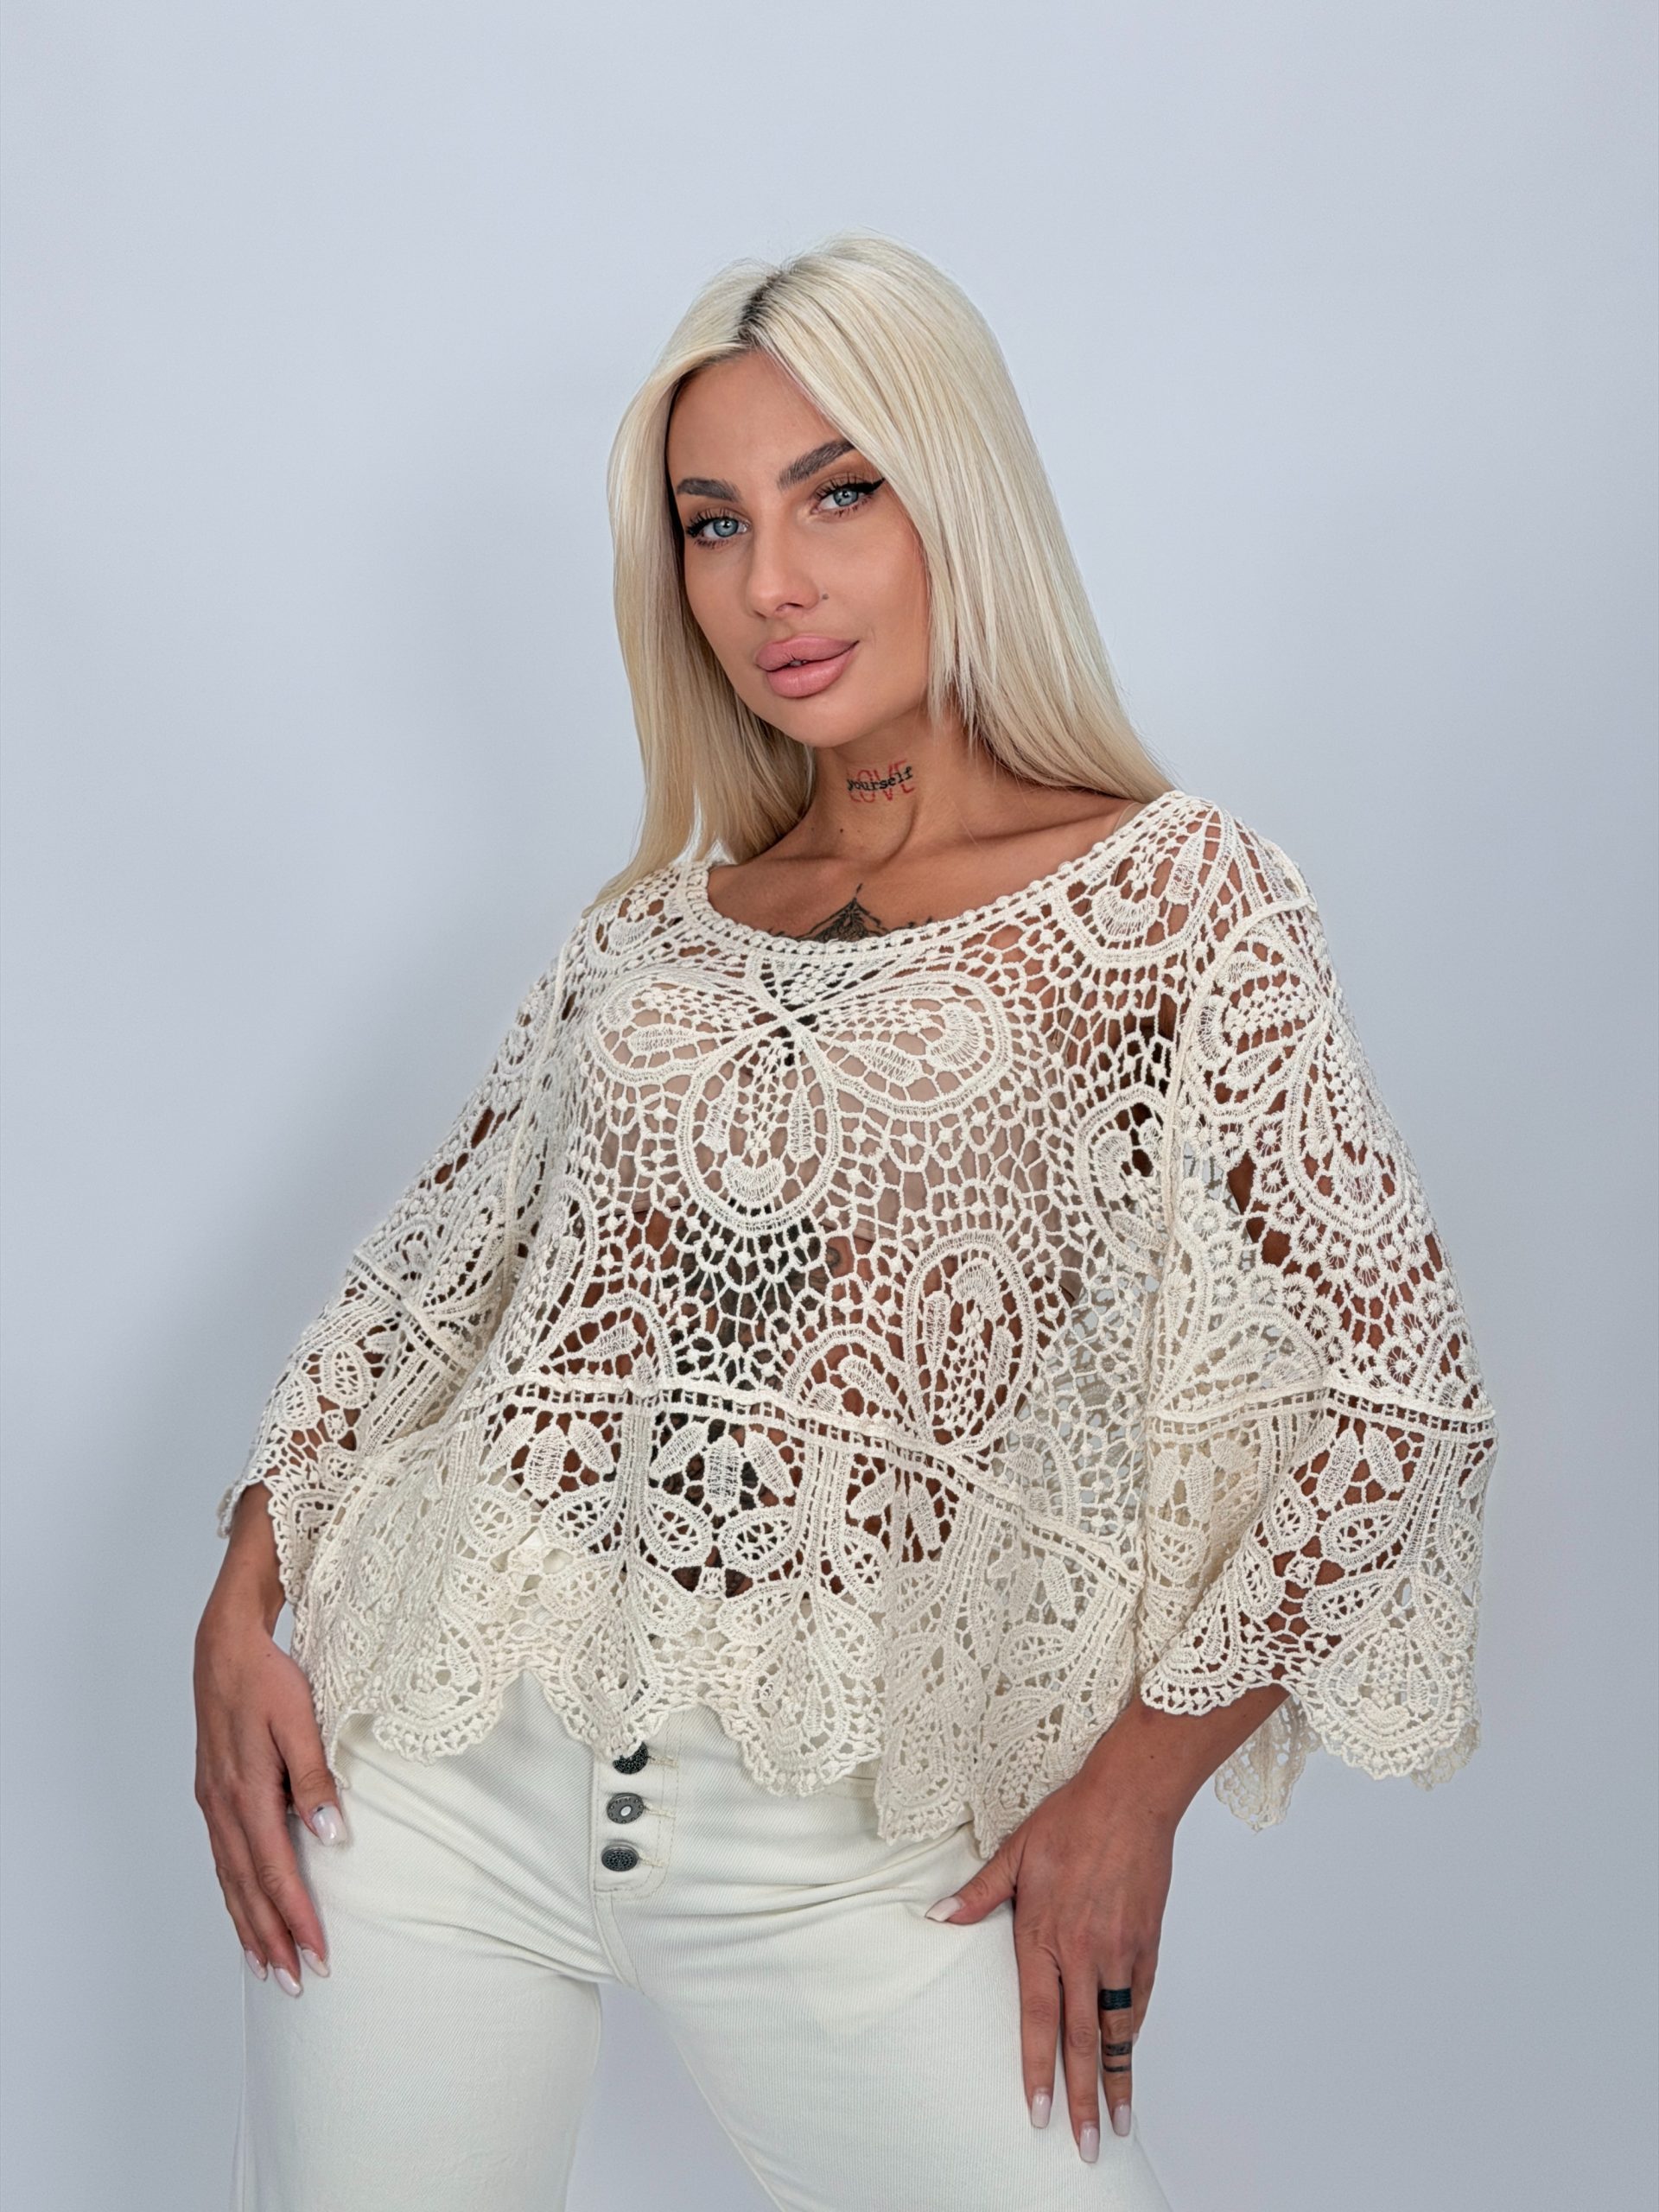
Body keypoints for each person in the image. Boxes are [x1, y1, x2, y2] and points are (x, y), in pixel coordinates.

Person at [194, 231, 1497, 2212]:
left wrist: (1132, 1792)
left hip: (857, 1838)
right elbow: (422, 1295)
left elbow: (1396, 1400)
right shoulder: (649, 933)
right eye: (712, 524)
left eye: (838, 495)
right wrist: (239, 1599)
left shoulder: (1177, 902)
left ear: (957, 496)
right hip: (439, 1774)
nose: (770, 585)